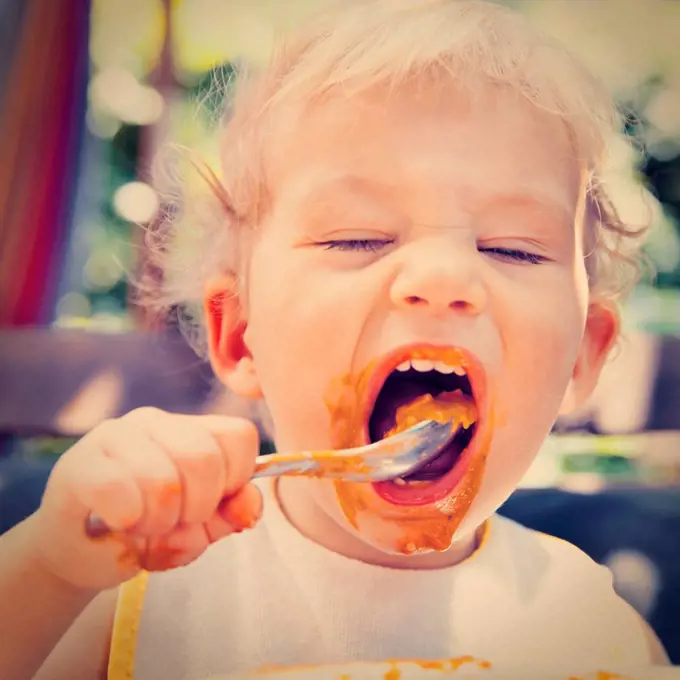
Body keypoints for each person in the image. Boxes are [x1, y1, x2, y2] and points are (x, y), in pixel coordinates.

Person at [0, 1, 671, 678]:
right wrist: (49, 565)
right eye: (359, 238)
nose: (442, 279)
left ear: (583, 354)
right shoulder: (138, 599)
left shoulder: (593, 633)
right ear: (240, 337)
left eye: (512, 250)